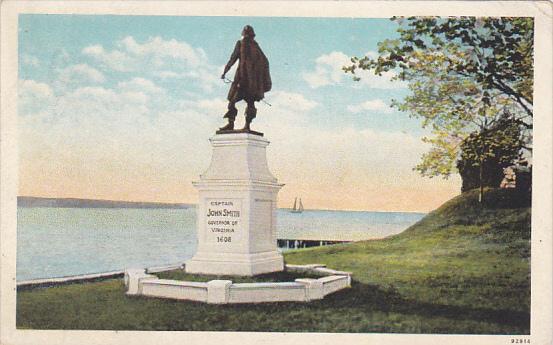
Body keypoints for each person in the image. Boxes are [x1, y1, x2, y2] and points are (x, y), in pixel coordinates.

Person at [219, 25, 272, 131]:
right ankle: (245, 125)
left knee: (233, 101)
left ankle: (232, 124)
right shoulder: (256, 47)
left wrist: (225, 72)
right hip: (252, 83)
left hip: (242, 79)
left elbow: (233, 59)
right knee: (249, 102)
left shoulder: (242, 44)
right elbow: (264, 61)